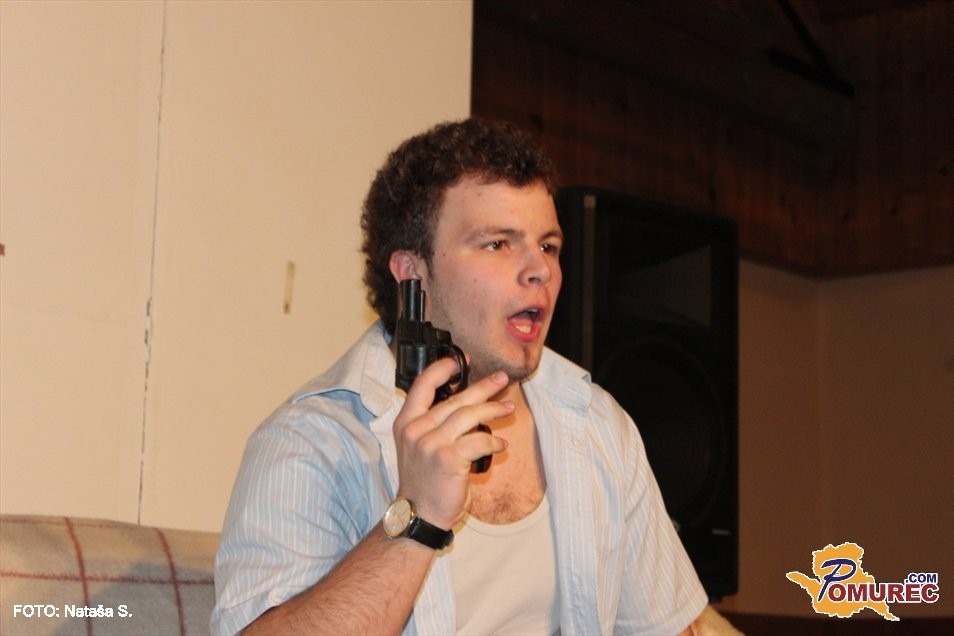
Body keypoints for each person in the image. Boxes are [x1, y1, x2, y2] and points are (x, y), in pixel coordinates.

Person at [211, 119, 740, 635]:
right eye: (497, 244)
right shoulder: (312, 440)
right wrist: (418, 518)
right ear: (413, 274)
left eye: (548, 246)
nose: (541, 270)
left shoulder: (598, 422)